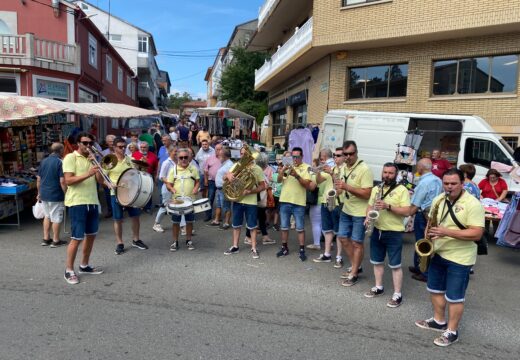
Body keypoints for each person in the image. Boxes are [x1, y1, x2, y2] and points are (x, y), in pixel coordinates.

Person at [415, 168, 485, 347]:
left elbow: (477, 233)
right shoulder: (439, 200)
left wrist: (446, 232)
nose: (449, 187)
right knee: (435, 289)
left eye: (453, 184)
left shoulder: (472, 204)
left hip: (460, 258)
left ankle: (452, 331)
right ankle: (439, 321)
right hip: (438, 253)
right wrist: (427, 239)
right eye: (446, 183)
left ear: (462, 184)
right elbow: (431, 223)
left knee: (454, 297)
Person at [363, 163, 411, 308]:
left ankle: (397, 294)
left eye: (390, 173)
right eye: (385, 172)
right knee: (377, 261)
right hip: (377, 228)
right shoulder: (377, 188)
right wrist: (367, 217)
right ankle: (379, 287)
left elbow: (407, 211)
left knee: (395, 265)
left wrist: (388, 206)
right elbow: (370, 206)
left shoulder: (402, 190)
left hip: (394, 231)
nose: (387, 175)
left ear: (395, 174)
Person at [62, 132, 105, 285]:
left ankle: (84, 265)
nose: (88, 146)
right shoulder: (70, 158)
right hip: (77, 202)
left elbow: (100, 181)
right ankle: (69, 270)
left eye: (90, 143)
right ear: (78, 143)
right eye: (85, 143)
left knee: (91, 235)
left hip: (92, 201)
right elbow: (68, 180)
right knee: (77, 238)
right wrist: (88, 173)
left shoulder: (91, 158)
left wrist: (98, 168)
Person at [335, 140, 374, 287]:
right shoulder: (343, 167)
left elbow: (367, 194)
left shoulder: (364, 169)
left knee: (357, 243)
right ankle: (356, 266)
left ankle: (354, 273)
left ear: (356, 153)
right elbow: (341, 188)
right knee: (343, 238)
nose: (348, 156)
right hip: (346, 209)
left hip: (360, 212)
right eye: (345, 154)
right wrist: (336, 191)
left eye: (351, 154)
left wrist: (347, 187)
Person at [106, 138, 148, 255]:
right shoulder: (110, 160)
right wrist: (108, 184)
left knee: (135, 217)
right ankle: (119, 243)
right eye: (120, 147)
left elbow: (140, 172)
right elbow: (100, 178)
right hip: (116, 193)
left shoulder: (130, 159)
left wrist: (143, 164)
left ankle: (136, 239)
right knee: (118, 219)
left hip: (131, 192)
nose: (123, 148)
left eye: (124, 146)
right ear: (114, 147)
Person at [224, 146, 266, 259]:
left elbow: (263, 186)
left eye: (245, 154)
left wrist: (251, 191)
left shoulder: (257, 169)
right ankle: (235, 246)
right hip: (238, 200)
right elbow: (224, 178)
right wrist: (228, 175)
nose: (243, 156)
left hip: (251, 201)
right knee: (236, 225)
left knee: (252, 226)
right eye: (241, 154)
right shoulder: (236, 166)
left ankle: (253, 248)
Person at [276, 147, 315, 262]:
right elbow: (278, 181)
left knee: (300, 228)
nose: (295, 159)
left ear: (302, 157)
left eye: (297, 157)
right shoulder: (287, 166)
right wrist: (282, 171)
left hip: (298, 202)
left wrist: (296, 175)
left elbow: (307, 185)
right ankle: (284, 248)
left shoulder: (307, 167)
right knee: (284, 226)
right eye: (293, 157)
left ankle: (302, 250)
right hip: (285, 200)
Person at [408, 158, 443, 282]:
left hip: (422, 215)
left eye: (418, 167)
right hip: (432, 215)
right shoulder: (438, 180)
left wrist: (405, 214)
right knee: (426, 241)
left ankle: (425, 272)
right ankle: (419, 267)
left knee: (421, 243)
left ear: (420, 168)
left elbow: (415, 204)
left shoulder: (424, 182)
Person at [313, 147, 345, 268]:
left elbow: (339, 187)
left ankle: (338, 256)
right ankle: (327, 254)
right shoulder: (331, 167)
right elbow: (319, 181)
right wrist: (318, 171)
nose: (335, 158)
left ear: (344, 157)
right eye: (335, 155)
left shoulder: (344, 170)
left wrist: (331, 173)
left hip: (338, 203)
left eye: (338, 156)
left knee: (338, 231)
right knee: (327, 230)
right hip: (326, 201)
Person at [166, 148, 199, 251]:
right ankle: (175, 242)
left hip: (190, 200)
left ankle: (188, 240)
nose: (184, 159)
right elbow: (168, 184)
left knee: (189, 221)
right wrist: (171, 189)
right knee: (176, 222)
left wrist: (195, 188)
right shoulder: (173, 170)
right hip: (177, 201)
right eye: (181, 157)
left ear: (189, 157)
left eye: (186, 157)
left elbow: (197, 181)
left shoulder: (193, 169)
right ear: (177, 158)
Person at [37, 142, 67, 247]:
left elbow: (39, 179)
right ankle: (56, 240)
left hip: (44, 193)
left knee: (47, 216)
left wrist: (39, 192)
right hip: (56, 193)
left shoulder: (43, 161)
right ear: (61, 150)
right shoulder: (61, 162)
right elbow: (62, 181)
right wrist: (66, 193)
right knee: (57, 218)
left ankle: (46, 238)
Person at [244, 153, 276, 246]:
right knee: (253, 218)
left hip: (261, 198)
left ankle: (265, 236)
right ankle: (247, 237)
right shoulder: (255, 170)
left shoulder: (260, 170)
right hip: (256, 198)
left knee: (261, 218)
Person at [153, 146, 177, 233]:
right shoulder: (166, 163)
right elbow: (161, 177)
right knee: (164, 206)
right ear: (170, 152)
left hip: (176, 188)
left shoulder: (177, 162)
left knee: (177, 206)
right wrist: (169, 184)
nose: (176, 153)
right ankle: (156, 224)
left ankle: (181, 226)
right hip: (167, 188)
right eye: (175, 151)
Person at [478, 168, 508, 235]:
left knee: (495, 219)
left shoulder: (502, 181)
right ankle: (485, 233)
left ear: (497, 176)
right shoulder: (484, 181)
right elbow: (477, 189)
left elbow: (505, 191)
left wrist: (499, 199)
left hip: (497, 203)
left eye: (494, 177)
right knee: (485, 218)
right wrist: (480, 196)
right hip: (485, 203)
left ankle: (496, 233)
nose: (492, 179)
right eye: (490, 177)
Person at [210, 147, 233, 229]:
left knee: (226, 206)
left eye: (220, 155)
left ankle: (226, 223)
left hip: (224, 189)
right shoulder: (224, 163)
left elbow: (232, 177)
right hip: (220, 189)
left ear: (225, 156)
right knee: (219, 205)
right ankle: (216, 220)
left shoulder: (229, 164)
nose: (218, 157)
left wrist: (226, 177)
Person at [132, 142, 159, 213]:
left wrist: (156, 175)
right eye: (141, 147)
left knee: (148, 191)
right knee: (137, 191)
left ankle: (148, 207)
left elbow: (156, 167)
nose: (143, 149)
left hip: (148, 176)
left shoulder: (153, 155)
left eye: (144, 147)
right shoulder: (135, 154)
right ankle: (138, 206)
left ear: (148, 148)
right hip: (137, 176)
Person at [204, 143, 223, 222]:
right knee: (210, 198)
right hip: (211, 181)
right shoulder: (210, 158)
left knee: (220, 200)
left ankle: (218, 216)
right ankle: (208, 215)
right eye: (216, 149)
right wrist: (205, 180)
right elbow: (205, 170)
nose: (217, 151)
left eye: (219, 149)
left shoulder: (225, 159)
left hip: (221, 183)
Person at [101, 135, 116, 218]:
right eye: (110, 142)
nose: (111, 143)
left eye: (113, 141)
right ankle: (110, 210)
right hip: (107, 177)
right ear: (107, 143)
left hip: (116, 176)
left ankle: (118, 211)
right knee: (108, 195)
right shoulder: (103, 153)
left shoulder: (119, 151)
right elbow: (101, 165)